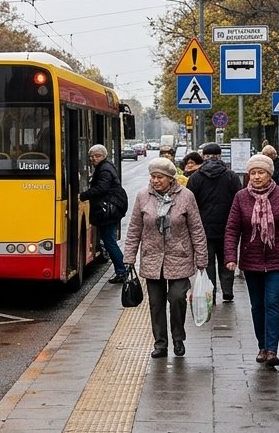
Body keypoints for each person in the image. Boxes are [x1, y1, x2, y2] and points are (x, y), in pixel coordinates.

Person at [122, 157, 207, 358]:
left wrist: (202, 258)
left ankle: (178, 338)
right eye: (153, 177)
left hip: (180, 256)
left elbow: (196, 228)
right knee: (156, 303)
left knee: (177, 298)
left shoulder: (186, 196)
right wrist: (129, 257)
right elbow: (135, 228)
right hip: (152, 258)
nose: (155, 181)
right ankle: (160, 343)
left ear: (170, 178)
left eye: (159, 177)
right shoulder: (143, 196)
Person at [225, 152, 279, 368]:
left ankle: (272, 349)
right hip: (251, 260)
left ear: (270, 174)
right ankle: (262, 345)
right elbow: (232, 229)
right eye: (253, 173)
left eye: (261, 172)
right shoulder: (241, 197)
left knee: (271, 303)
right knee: (256, 306)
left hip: (278, 259)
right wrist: (230, 256)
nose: (257, 177)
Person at [185, 142, 243, 303]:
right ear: (220, 156)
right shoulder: (231, 176)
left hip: (203, 228)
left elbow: (189, 203)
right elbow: (239, 200)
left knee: (207, 261)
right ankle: (227, 291)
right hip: (228, 227)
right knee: (227, 258)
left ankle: (210, 293)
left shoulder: (195, 177)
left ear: (203, 157)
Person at [78, 144, 128, 284]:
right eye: (92, 156)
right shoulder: (105, 167)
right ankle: (122, 269)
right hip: (111, 209)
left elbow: (102, 188)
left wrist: (83, 195)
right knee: (109, 240)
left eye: (97, 156)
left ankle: (121, 271)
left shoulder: (104, 170)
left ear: (103, 156)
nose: (94, 159)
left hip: (109, 211)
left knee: (109, 241)